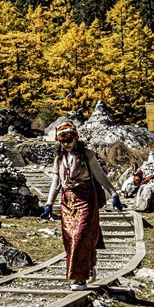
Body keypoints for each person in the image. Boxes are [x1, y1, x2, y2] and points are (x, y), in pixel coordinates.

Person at [40, 123, 123, 290]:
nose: (66, 144)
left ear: (75, 139)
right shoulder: (59, 157)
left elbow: (100, 176)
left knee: (81, 235)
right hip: (67, 201)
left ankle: (80, 278)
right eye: (63, 141)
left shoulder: (86, 154)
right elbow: (56, 182)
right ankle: (88, 266)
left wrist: (114, 194)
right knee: (70, 238)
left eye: (69, 140)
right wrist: (49, 204)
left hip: (86, 199)